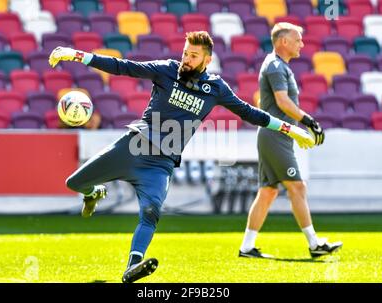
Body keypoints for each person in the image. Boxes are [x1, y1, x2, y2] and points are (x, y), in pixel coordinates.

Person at [48, 31, 315, 283]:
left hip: (160, 164)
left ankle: (132, 266)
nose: (186, 59)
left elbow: (249, 113)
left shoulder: (216, 88)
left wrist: (290, 128)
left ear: (207, 60)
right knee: (74, 183)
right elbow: (123, 66)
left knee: (151, 212)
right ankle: (94, 192)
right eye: (186, 53)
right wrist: (77, 54)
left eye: (193, 55)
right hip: (133, 147)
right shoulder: (166, 69)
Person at [239, 23, 342, 259]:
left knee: (267, 192)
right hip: (276, 135)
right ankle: (314, 243)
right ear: (283, 42)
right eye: (298, 40)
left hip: (274, 135)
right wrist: (309, 120)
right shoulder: (276, 66)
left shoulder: (278, 65)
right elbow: (283, 102)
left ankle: (246, 247)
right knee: (297, 186)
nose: (301, 44)